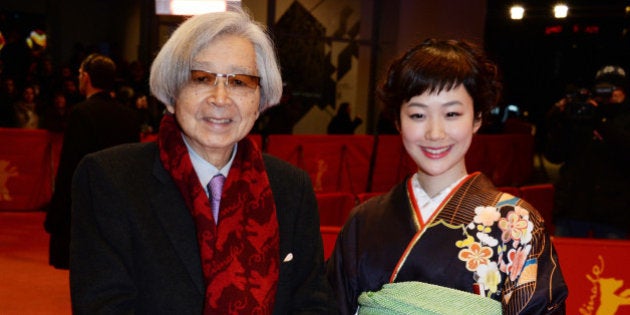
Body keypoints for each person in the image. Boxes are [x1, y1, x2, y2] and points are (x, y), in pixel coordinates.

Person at [69, 8, 335, 314]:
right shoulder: (111, 179)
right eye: (202, 78)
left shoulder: (291, 188)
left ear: (260, 100)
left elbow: (314, 303)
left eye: (239, 82)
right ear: (171, 93)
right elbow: (103, 305)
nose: (220, 98)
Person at [327, 39, 568, 314]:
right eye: (418, 114)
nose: (435, 133)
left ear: (477, 117)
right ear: (398, 120)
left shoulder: (517, 225)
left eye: (452, 113)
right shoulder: (363, 221)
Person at [44, 53, 140, 269]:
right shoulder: (129, 116)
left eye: (79, 74)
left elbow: (70, 167)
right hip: (120, 210)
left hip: (87, 210)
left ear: (85, 77)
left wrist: (57, 217)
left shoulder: (81, 113)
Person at [544, 65, 630, 239]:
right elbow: (554, 155)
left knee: (612, 265)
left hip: (613, 215)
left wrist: (601, 122)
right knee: (566, 264)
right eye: (602, 89)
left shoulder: (624, 119)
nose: (607, 94)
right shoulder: (582, 115)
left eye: (613, 89)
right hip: (572, 209)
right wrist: (558, 121)